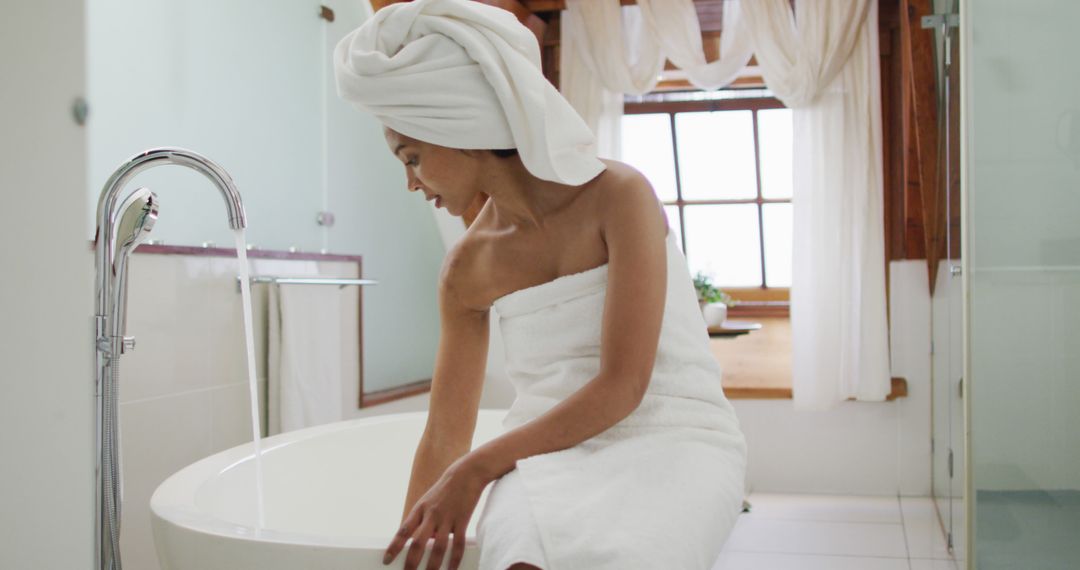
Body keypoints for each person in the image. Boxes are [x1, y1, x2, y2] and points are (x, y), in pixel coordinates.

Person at [334, 1, 747, 569]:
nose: (410, 182)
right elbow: (444, 438)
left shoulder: (620, 197)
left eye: (413, 157)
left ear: (461, 127)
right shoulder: (465, 272)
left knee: (627, 557)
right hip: (543, 452)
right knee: (521, 559)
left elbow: (624, 385)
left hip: (672, 433)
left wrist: (478, 468)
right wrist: (412, 550)